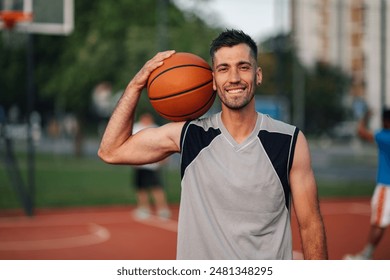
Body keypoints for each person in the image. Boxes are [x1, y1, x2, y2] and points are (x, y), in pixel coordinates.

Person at [98, 29, 328, 260]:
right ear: (214, 81)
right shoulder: (189, 136)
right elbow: (111, 151)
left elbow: (310, 225)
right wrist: (136, 85)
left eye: (243, 67)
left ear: (258, 75)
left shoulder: (289, 141)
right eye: (223, 69)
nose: (234, 77)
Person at [344, 108, 390, 260]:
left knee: (379, 223)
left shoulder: (384, 136)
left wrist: (365, 115)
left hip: (386, 185)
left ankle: (366, 256)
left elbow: (361, 131)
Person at [131, 112, 171, 220]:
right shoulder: (136, 128)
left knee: (156, 187)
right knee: (141, 187)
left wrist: (165, 158)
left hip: (153, 165)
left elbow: (164, 145)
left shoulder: (156, 129)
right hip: (140, 164)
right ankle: (143, 208)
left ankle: (162, 209)